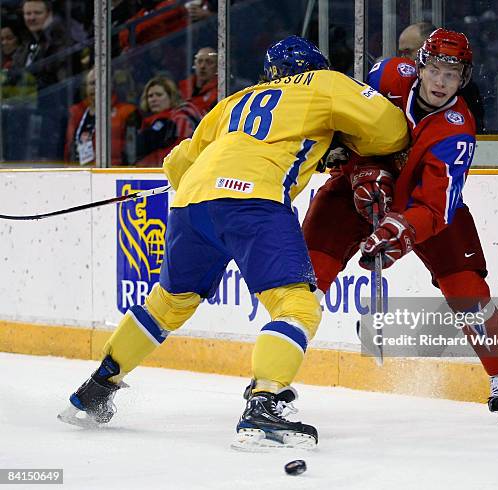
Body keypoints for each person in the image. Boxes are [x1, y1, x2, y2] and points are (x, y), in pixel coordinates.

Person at [58, 36, 409, 449]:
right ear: (316, 66)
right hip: (253, 199)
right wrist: (344, 143)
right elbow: (391, 132)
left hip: (191, 203)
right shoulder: (326, 84)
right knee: (297, 305)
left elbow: (178, 162)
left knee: (168, 303)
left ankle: (96, 391)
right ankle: (263, 407)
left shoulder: (234, 100)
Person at [302, 28, 498, 421]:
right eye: (435, 70)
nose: (441, 82)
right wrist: (342, 156)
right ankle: (273, 379)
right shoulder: (385, 75)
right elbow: (343, 116)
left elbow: (435, 206)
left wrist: (396, 230)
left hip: (419, 206)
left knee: (466, 288)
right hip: (357, 188)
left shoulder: (458, 131)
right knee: (308, 275)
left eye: (452, 75)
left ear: (463, 79)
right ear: (420, 66)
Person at [398, 22, 485, 132]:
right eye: (400, 53)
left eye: (407, 52)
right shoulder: (395, 80)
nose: (402, 59)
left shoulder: (464, 93)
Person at [64, 68, 139, 166]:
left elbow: (132, 153)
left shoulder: (126, 112)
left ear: (111, 85)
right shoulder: (76, 113)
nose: (96, 87)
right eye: (92, 83)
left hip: (112, 173)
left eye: (101, 82)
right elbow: (69, 148)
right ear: (85, 88)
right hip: (79, 172)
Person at [135, 75, 200, 166]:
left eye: (159, 95)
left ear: (171, 96)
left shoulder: (180, 119)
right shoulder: (147, 122)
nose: (153, 99)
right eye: (150, 96)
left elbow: (179, 150)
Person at [11, 0, 75, 90]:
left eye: (37, 13)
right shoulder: (27, 44)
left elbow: (63, 84)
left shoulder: (61, 43)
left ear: (49, 15)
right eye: (28, 14)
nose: (32, 18)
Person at [178, 47, 218, 116]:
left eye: (209, 62)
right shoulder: (182, 87)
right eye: (199, 61)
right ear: (195, 65)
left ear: (217, 67)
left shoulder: (221, 91)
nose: (202, 66)